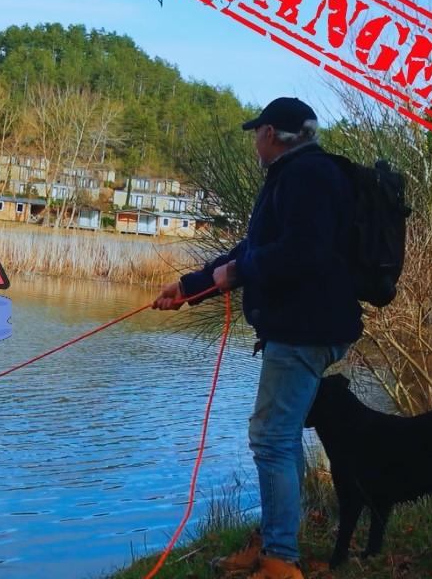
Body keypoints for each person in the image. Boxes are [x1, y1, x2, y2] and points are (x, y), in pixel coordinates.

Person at [154, 97, 362, 579]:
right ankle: (275, 544)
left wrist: (233, 273)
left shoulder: (306, 176)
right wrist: (193, 286)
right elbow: (256, 250)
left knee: (270, 439)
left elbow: (300, 252)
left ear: (270, 134)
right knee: (280, 438)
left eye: (256, 134)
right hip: (305, 326)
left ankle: (280, 561)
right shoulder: (303, 173)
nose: (254, 143)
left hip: (305, 329)